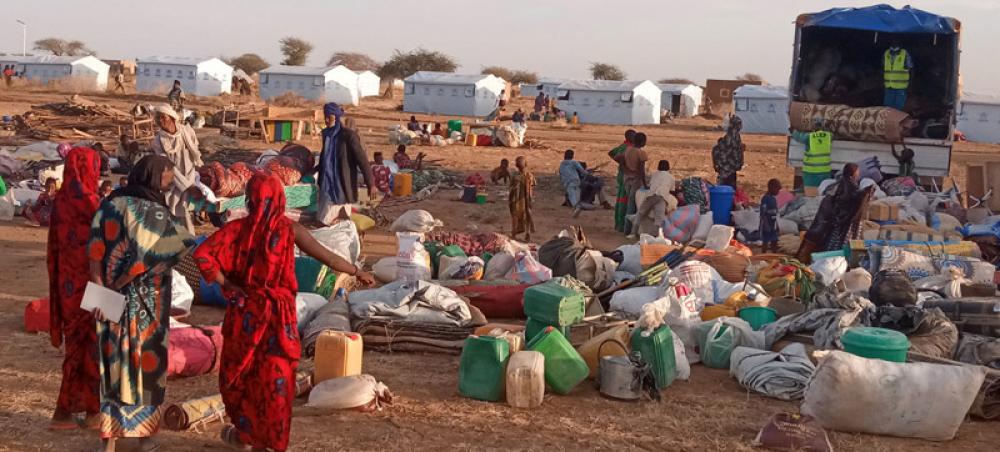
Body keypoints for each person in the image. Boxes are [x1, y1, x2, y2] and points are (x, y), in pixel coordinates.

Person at [194, 174, 373, 452]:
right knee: (275, 378)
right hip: (279, 316)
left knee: (241, 374)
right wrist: (357, 271)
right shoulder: (289, 230)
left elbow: (202, 254)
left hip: (246, 314)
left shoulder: (236, 229)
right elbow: (328, 256)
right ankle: (270, 440)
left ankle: (245, 433)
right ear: (280, 199)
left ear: (250, 200)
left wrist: (227, 283)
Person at [88, 155, 195, 452]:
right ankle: (145, 438)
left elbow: (94, 253)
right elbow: (180, 247)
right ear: (152, 176)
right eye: (167, 177)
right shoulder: (156, 212)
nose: (170, 182)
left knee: (113, 366)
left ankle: (109, 442)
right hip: (149, 302)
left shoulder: (108, 205)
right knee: (147, 367)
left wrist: (99, 288)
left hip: (108, 298)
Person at [47, 147, 102, 431]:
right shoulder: (92, 202)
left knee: (76, 348)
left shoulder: (60, 201)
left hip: (66, 285)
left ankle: (66, 412)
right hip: (93, 285)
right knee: (93, 349)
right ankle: (89, 412)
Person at [797, 163, 874, 261]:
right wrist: (867, 192)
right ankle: (839, 260)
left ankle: (829, 257)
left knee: (832, 242)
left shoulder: (840, 184)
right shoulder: (852, 187)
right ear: (853, 174)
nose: (858, 174)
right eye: (857, 172)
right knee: (843, 244)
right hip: (845, 225)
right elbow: (853, 201)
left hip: (836, 221)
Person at [317, 102, 375, 226]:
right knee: (325, 221)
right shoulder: (325, 134)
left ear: (337, 118)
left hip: (342, 185)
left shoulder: (348, 136)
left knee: (337, 222)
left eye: (330, 117)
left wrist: (371, 183)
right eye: (325, 117)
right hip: (326, 184)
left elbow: (362, 160)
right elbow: (325, 157)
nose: (327, 120)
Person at [151, 105, 202, 234]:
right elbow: (166, 165)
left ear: (172, 118)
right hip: (173, 180)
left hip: (191, 174)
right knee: (176, 206)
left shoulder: (187, 132)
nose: (161, 121)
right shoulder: (158, 141)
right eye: (159, 118)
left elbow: (195, 151)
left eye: (164, 117)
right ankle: (186, 239)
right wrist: (187, 186)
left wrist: (191, 182)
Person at [629, 159, 677, 238]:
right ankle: (657, 236)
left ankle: (633, 233)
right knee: (659, 218)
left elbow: (650, 185)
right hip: (662, 197)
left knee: (640, 213)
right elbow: (671, 190)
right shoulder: (671, 177)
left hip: (651, 196)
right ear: (668, 167)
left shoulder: (655, 174)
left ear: (659, 166)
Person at [615, 132, 650, 234]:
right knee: (632, 205)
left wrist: (626, 170)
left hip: (627, 179)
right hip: (636, 180)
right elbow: (641, 170)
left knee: (630, 204)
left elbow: (618, 158)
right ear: (643, 142)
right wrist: (645, 184)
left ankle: (626, 228)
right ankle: (628, 230)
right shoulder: (641, 153)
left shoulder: (628, 150)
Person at [608, 129, 636, 233]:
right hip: (627, 176)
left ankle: (618, 224)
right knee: (625, 201)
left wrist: (620, 163)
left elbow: (611, 153)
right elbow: (615, 155)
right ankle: (622, 225)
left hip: (622, 174)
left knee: (620, 199)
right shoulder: (628, 148)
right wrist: (623, 164)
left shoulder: (623, 146)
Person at [712, 115, 744, 188]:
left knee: (724, 186)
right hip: (729, 167)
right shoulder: (734, 135)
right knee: (728, 186)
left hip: (726, 166)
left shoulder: (732, 135)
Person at [508, 156, 535, 241]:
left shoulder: (514, 176)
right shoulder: (530, 176)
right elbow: (533, 185)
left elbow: (511, 187)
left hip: (516, 200)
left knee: (515, 216)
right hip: (527, 200)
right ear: (526, 164)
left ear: (516, 165)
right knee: (527, 216)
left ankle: (514, 233)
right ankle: (528, 233)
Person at [883, 43, 912, 111]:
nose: (894, 42)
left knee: (899, 109)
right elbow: (883, 68)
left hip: (901, 87)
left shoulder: (905, 54)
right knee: (887, 109)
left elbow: (911, 69)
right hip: (889, 86)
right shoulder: (886, 53)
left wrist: (910, 84)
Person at [558, 149, 587, 215]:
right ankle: (577, 207)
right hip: (576, 180)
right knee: (576, 195)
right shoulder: (574, 162)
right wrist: (587, 174)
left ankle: (576, 208)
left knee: (572, 196)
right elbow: (582, 170)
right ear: (572, 156)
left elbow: (561, 173)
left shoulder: (562, 163)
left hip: (568, 182)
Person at [759, 179, 781, 253]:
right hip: (767, 223)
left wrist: (777, 224)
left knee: (774, 240)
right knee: (766, 240)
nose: (778, 191)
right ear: (771, 188)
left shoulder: (773, 199)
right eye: (777, 189)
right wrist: (766, 224)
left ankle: (774, 255)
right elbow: (763, 213)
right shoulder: (766, 198)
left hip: (773, 223)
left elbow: (775, 212)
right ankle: (763, 255)